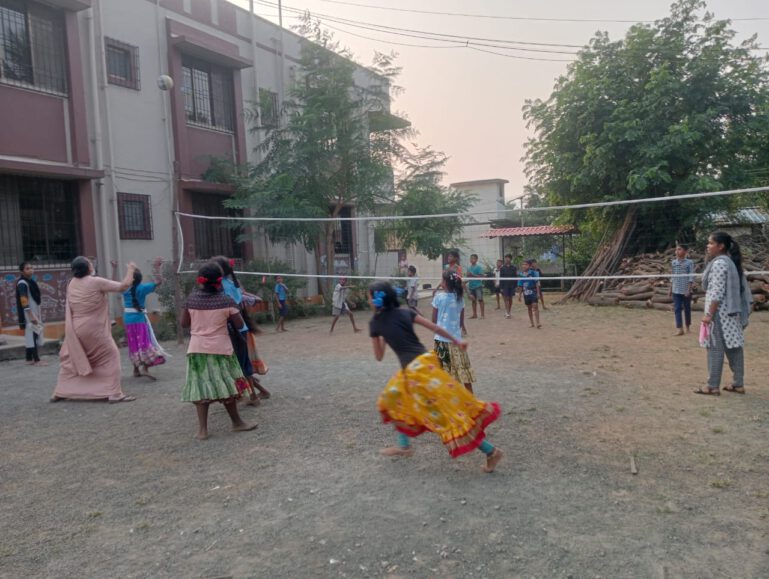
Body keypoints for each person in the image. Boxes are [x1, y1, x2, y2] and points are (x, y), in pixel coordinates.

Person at [369, 281, 503, 473]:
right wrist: (457, 341)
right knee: (395, 398)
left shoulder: (375, 323)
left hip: (415, 373)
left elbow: (379, 356)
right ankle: (404, 445)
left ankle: (491, 451)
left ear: (375, 299)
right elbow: (436, 328)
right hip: (425, 364)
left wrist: (380, 335)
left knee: (444, 415)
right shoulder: (406, 312)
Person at [180, 262, 257, 439]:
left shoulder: (191, 300)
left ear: (201, 281)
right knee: (229, 385)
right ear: (220, 281)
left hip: (197, 350)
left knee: (201, 388)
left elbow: (184, 323)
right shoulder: (226, 301)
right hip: (221, 350)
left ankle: (202, 430)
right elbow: (239, 324)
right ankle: (237, 423)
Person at [52, 257, 138, 403]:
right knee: (111, 357)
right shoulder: (95, 281)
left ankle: (60, 392)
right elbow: (123, 286)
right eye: (90, 263)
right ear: (88, 268)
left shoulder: (72, 283)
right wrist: (131, 270)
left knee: (72, 359)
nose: (92, 264)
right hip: (94, 328)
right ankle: (114, 394)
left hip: (76, 328)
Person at [695, 231, 752, 396]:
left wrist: (709, 315)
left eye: (711, 243)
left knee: (714, 348)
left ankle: (712, 386)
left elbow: (717, 292)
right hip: (732, 312)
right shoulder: (730, 262)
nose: (708, 246)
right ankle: (738, 383)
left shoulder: (720, 263)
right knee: (734, 348)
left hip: (719, 313)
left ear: (721, 246)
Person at [211, 256, 271, 404]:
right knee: (242, 364)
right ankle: (252, 394)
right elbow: (243, 300)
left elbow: (232, 307)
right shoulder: (232, 284)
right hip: (239, 329)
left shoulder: (221, 288)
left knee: (238, 365)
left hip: (232, 330)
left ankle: (252, 396)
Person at [117, 257, 167, 380]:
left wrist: (114, 269)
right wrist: (157, 267)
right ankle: (145, 368)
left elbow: (115, 283)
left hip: (128, 320)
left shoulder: (125, 289)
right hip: (139, 320)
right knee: (144, 343)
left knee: (133, 343)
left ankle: (135, 369)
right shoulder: (143, 288)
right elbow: (159, 281)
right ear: (140, 279)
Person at [433, 270, 476, 393]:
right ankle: (471, 401)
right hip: (457, 340)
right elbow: (461, 322)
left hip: (441, 341)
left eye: (442, 280)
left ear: (445, 283)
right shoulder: (460, 299)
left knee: (444, 374)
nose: (440, 282)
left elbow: (433, 320)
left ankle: (449, 403)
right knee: (464, 371)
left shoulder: (438, 297)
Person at [15, 261, 46, 366]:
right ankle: (36, 360)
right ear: (22, 271)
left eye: (31, 267)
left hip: (33, 312)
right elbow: (23, 300)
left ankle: (28, 358)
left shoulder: (30, 281)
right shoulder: (22, 283)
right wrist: (31, 315)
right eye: (27, 268)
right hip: (29, 314)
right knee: (32, 334)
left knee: (32, 333)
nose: (31, 270)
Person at [669, 244, 695, 336]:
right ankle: (680, 328)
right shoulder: (674, 262)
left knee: (687, 309)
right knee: (677, 309)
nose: (677, 251)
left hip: (686, 290)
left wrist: (689, 289)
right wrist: (670, 288)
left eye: (679, 249)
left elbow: (691, 276)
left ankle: (687, 326)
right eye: (676, 249)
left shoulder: (689, 263)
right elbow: (672, 276)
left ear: (685, 251)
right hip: (676, 289)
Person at [518, 259, 541, 328]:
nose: (524, 266)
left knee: (535, 306)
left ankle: (538, 323)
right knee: (529, 308)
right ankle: (531, 323)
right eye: (523, 264)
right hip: (526, 293)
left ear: (529, 266)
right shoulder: (521, 274)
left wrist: (538, 293)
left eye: (526, 264)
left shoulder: (533, 273)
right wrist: (519, 295)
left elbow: (537, 283)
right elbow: (520, 285)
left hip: (533, 291)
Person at [466, 254, 485, 320]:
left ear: (476, 260)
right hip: (471, 286)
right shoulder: (469, 268)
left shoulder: (479, 267)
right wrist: (468, 276)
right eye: (471, 258)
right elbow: (468, 277)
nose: (472, 260)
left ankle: (482, 315)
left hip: (478, 286)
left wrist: (473, 275)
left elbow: (482, 276)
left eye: (473, 258)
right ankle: (474, 314)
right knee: (473, 300)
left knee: (480, 300)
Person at [499, 254, 518, 319]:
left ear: (510, 259)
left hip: (512, 285)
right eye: (506, 258)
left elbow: (516, 277)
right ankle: (507, 312)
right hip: (505, 285)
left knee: (510, 299)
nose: (507, 259)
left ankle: (509, 311)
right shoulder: (502, 268)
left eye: (508, 258)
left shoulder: (514, 267)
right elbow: (501, 278)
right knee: (506, 298)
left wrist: (516, 286)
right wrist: (501, 287)